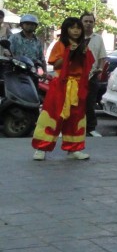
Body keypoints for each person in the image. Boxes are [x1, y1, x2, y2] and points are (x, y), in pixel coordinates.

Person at [31, 17, 94, 161]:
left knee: (76, 117)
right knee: (53, 115)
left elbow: (88, 64)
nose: (76, 31)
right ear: (66, 30)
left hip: (77, 86)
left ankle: (74, 149)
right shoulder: (60, 44)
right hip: (61, 84)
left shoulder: (83, 45)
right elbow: (56, 64)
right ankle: (41, 148)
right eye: (72, 28)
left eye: (78, 28)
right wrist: (69, 53)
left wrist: (84, 53)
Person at [82, 13, 107, 137]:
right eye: (86, 21)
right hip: (76, 76)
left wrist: (100, 70)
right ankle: (72, 127)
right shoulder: (75, 37)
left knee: (90, 103)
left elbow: (102, 57)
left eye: (90, 21)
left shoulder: (98, 38)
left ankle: (90, 128)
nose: (88, 23)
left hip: (92, 76)